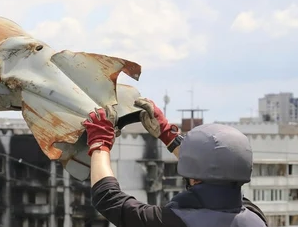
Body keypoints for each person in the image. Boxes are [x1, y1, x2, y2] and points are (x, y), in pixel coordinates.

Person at [82, 97, 268, 227]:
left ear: (194, 178)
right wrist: (169, 136)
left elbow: (107, 198)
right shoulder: (255, 218)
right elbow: (222, 178)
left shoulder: (175, 221)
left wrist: (100, 143)